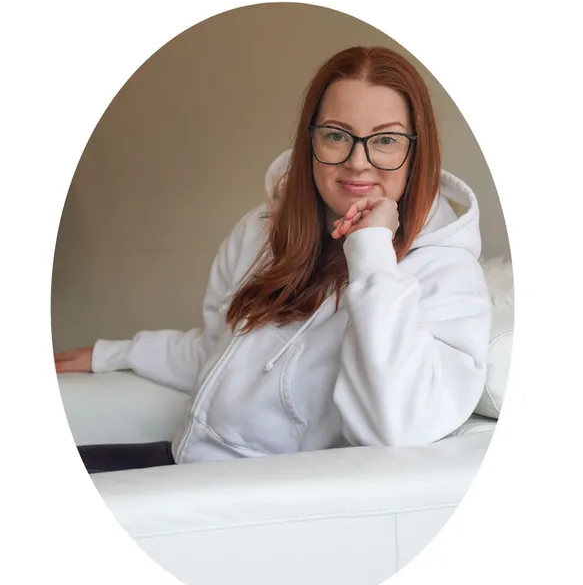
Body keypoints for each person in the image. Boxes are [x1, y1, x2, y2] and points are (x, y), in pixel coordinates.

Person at [55, 46, 492, 473]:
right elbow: (219, 351)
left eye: (386, 140)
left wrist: (373, 251)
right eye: (337, 135)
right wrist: (114, 353)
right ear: (310, 140)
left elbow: (395, 423)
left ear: (417, 151)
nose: (358, 162)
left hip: (256, 499)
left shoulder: (446, 273)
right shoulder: (264, 230)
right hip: (185, 462)